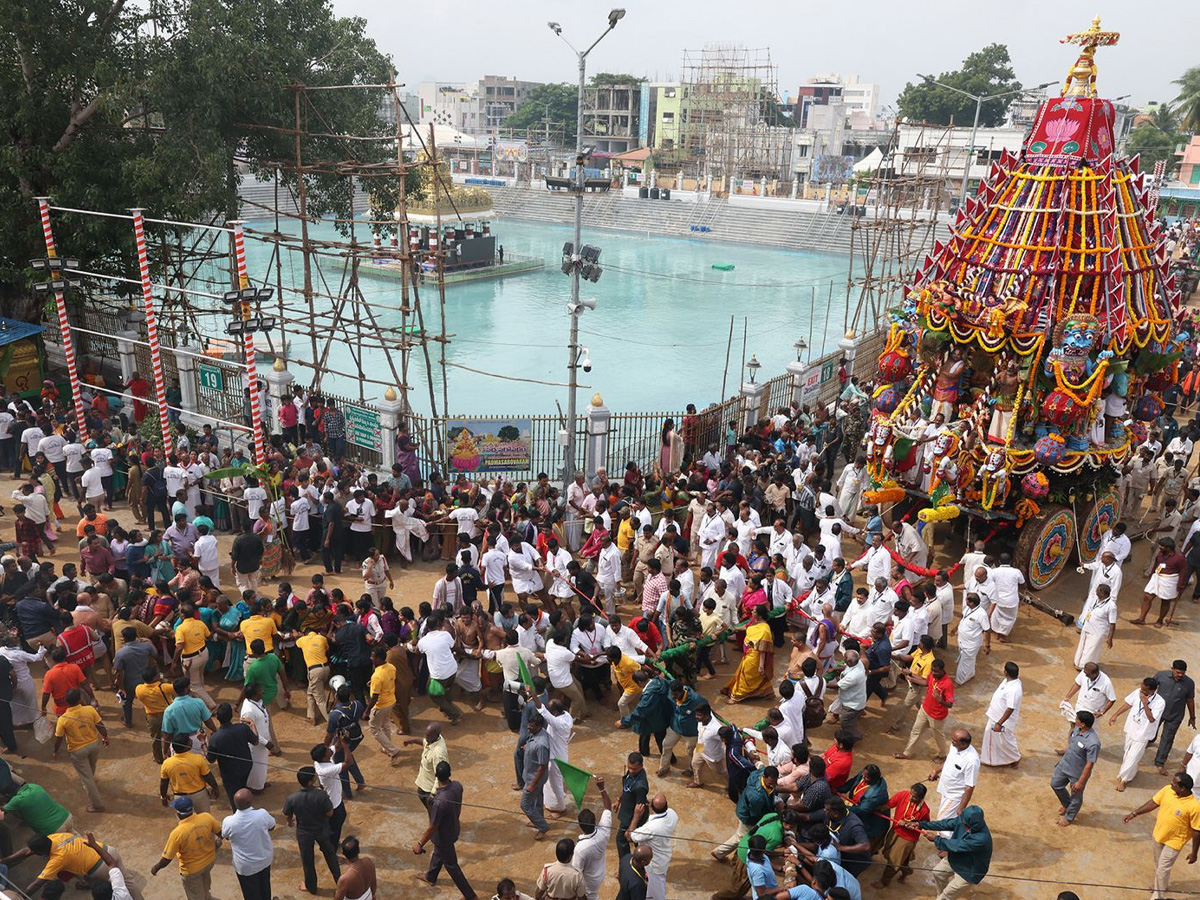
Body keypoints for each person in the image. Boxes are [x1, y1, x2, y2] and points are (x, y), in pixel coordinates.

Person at [1124, 771, 1200, 899]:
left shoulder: (1194, 807)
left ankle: (1158, 896)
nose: (1171, 784)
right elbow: (1153, 802)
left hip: (1174, 842)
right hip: (1159, 835)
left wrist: (1194, 853)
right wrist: (1134, 814)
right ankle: (1161, 885)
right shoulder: (1167, 790)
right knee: (1159, 865)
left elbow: (1197, 831)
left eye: (1175, 784)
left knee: (1162, 869)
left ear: (1183, 788)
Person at [413, 761, 476, 899]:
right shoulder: (458, 786)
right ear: (450, 774)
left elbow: (432, 827)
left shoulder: (439, 802)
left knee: (452, 867)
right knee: (438, 853)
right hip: (453, 828)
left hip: (443, 837)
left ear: (436, 776)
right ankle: (431, 876)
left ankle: (471, 896)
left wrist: (420, 844)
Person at [150, 796, 223, 900]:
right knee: (205, 887)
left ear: (178, 814)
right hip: (209, 862)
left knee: (196, 896)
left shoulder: (177, 833)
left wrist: (156, 868)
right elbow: (221, 833)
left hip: (191, 871)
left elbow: (167, 858)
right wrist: (217, 843)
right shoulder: (206, 817)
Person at [913, 806, 992, 900]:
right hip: (956, 858)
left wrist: (936, 839)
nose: (961, 822)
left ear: (971, 823)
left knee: (945, 896)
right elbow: (945, 824)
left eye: (964, 822)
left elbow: (956, 845)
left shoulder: (981, 839)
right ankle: (941, 896)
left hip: (970, 871)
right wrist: (921, 824)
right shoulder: (964, 820)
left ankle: (943, 897)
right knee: (938, 873)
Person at [284, 766, 341, 893]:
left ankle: (311, 887)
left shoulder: (292, 798)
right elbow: (330, 813)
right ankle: (340, 882)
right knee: (330, 856)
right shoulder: (321, 795)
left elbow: (288, 814)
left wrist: (290, 821)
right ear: (310, 782)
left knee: (307, 860)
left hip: (304, 832)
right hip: (321, 829)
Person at [53, 687, 108, 812]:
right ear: (80, 699)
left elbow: (58, 738)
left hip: (77, 750)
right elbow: (100, 725)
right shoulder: (89, 710)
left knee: (87, 779)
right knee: (91, 768)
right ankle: (92, 784)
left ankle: (97, 805)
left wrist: (55, 751)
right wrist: (105, 736)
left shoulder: (63, 719)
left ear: (66, 701)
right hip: (94, 745)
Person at [1111, 676, 1168, 790]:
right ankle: (1132, 771)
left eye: (1144, 690)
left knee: (1133, 756)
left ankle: (1124, 780)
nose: (1141, 692)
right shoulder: (1138, 692)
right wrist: (1115, 715)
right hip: (1131, 728)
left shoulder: (1160, 702)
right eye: (1141, 689)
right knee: (1127, 752)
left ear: (1152, 691)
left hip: (1143, 733)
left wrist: (1145, 703)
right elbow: (1128, 703)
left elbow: (1152, 719)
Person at [873, 782, 930, 889]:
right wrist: (871, 808)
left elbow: (925, 824)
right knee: (889, 853)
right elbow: (888, 805)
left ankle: (884, 881)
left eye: (915, 797)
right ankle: (906, 870)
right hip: (895, 831)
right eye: (911, 794)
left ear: (921, 798)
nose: (911, 797)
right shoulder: (903, 795)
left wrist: (912, 825)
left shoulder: (924, 810)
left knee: (893, 860)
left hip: (907, 838)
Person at [222, 789, 276, 900]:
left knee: (251, 893)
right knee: (265, 887)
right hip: (263, 860)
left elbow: (226, 836)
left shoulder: (229, 821)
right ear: (249, 802)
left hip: (245, 866)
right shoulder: (261, 814)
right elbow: (272, 826)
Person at [895, 658, 954, 760]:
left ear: (942, 670)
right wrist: (912, 678)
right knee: (915, 731)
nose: (933, 673)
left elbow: (950, 704)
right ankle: (907, 753)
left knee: (938, 736)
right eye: (932, 670)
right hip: (925, 709)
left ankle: (943, 755)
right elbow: (926, 683)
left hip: (937, 715)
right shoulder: (932, 675)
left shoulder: (947, 684)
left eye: (936, 671)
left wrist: (940, 700)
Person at [1052, 710, 1100, 827]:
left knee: (1076, 796)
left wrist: (1080, 782)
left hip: (1077, 773)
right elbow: (1071, 741)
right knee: (1055, 784)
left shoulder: (1093, 743)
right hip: (1065, 765)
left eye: (1077, 719)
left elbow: (1089, 764)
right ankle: (1067, 804)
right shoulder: (1077, 729)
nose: (1075, 720)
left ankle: (1069, 817)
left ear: (1083, 724)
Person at [628, 793, 678, 900]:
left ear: (651, 807)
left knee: (656, 894)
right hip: (664, 855)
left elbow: (630, 836)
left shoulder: (652, 827)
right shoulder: (672, 814)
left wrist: (636, 816)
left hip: (654, 865)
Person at [721, 605, 774, 703]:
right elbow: (746, 627)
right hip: (748, 654)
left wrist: (761, 666)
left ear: (760, 615)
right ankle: (766, 692)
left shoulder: (765, 630)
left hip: (754, 657)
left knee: (746, 677)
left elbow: (763, 650)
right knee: (750, 676)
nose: (752, 612)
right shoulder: (754, 623)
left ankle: (736, 697)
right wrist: (735, 629)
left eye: (754, 611)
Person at [1152, 661, 1197, 776]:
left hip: (1175, 716)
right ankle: (1149, 741)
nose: (1180, 675)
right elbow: (1150, 688)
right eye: (1178, 672)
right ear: (1172, 669)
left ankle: (1160, 762)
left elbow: (1190, 700)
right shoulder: (1161, 676)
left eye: (1183, 673)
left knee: (1167, 739)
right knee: (1150, 731)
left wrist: (1192, 717)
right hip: (1158, 712)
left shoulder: (1189, 683)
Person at [572, 777, 613, 900]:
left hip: (589, 881)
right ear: (595, 821)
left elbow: (576, 872)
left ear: (580, 826)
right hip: (599, 874)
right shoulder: (603, 832)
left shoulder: (580, 848)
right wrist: (602, 789)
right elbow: (608, 807)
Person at [161, 735, 220, 815]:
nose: (191, 741)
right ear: (185, 746)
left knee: (185, 822)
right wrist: (215, 787)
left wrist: (163, 796)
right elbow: (208, 776)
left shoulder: (167, 763)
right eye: (189, 741)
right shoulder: (198, 759)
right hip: (199, 795)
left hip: (180, 797)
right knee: (205, 818)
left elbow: (164, 782)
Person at [980, 661, 1023, 767]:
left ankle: (1015, 758)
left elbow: (1010, 708)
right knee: (999, 740)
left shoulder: (1013, 689)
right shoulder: (1008, 681)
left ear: (1006, 672)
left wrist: (999, 723)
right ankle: (997, 759)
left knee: (1005, 740)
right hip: (996, 716)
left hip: (1002, 720)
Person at [931, 729, 979, 820]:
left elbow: (970, 786)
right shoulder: (954, 747)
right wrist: (935, 771)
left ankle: (944, 835)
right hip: (945, 789)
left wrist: (961, 808)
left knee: (942, 820)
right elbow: (949, 761)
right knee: (946, 820)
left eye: (954, 741)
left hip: (955, 796)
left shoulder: (972, 761)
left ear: (963, 744)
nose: (951, 742)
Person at [521, 712, 552, 839]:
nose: (528, 727)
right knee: (538, 798)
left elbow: (543, 766)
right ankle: (538, 819)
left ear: (539, 726)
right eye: (528, 724)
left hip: (534, 779)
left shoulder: (541, 744)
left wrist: (532, 784)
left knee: (525, 805)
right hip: (530, 775)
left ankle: (543, 826)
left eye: (532, 726)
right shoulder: (537, 734)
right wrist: (527, 747)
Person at [954, 592, 991, 685]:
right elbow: (964, 619)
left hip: (971, 644)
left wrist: (987, 646)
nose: (965, 601)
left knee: (964, 663)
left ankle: (959, 681)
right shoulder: (968, 608)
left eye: (967, 600)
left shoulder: (981, 614)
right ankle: (970, 674)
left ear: (972, 603)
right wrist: (956, 628)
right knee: (969, 660)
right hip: (962, 640)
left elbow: (987, 630)